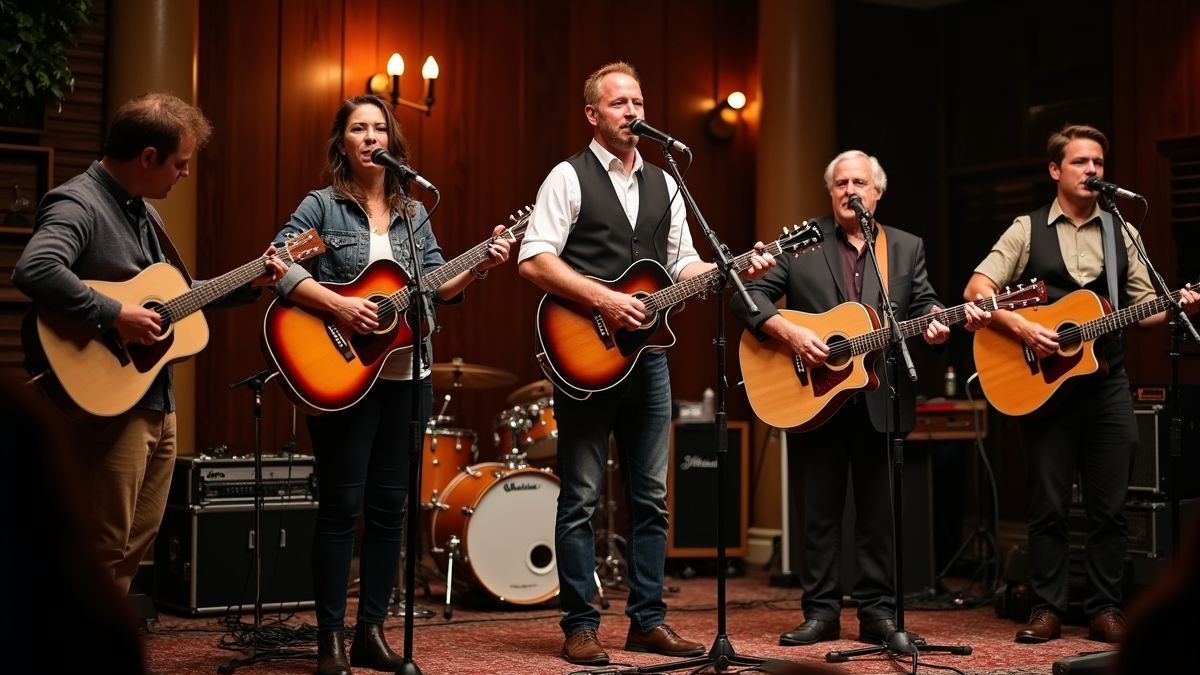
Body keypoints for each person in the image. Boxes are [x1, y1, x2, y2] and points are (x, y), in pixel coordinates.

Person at [518, 61, 774, 667]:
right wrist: (606, 298)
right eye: (618, 103)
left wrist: (729, 272)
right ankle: (580, 626)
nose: (633, 112)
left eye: (637, 101)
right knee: (581, 496)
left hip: (648, 362)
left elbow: (683, 265)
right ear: (593, 115)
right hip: (583, 353)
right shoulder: (568, 176)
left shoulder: (666, 181)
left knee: (652, 498)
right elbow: (533, 260)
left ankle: (647, 621)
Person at [269, 94, 511, 675]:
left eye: (380, 128)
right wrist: (340, 306)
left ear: (394, 144)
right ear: (343, 143)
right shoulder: (322, 209)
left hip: (408, 374)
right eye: (359, 128)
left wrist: (478, 264)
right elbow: (279, 263)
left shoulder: (414, 214)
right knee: (340, 507)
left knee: (388, 510)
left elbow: (437, 285)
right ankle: (329, 638)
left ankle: (370, 633)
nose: (371, 137)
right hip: (342, 374)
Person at [11, 92, 285, 598]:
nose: (183, 174)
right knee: (103, 542)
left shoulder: (143, 212)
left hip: (156, 398)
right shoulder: (79, 203)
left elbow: (176, 302)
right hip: (108, 404)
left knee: (138, 540)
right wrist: (115, 314)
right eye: (180, 164)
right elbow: (35, 269)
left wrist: (254, 279)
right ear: (148, 158)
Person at [732, 150, 991, 647]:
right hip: (811, 394)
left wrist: (937, 322)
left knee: (878, 515)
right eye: (841, 183)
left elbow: (922, 302)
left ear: (877, 192)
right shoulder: (801, 242)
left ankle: (876, 614)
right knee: (819, 514)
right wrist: (789, 334)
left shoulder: (905, 246)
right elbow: (749, 297)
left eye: (860, 182)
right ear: (830, 192)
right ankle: (821, 612)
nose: (851, 190)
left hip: (881, 395)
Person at [963, 124, 1199, 644]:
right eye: (1079, 162)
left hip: (1107, 384)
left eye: (1098, 162)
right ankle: (1047, 608)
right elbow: (978, 290)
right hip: (1042, 386)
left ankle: (1104, 608)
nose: (1092, 170)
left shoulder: (1122, 231)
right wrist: (1024, 326)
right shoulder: (1027, 229)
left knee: (1110, 506)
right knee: (1048, 505)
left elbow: (1143, 312)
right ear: (1055, 170)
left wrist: (1173, 304)